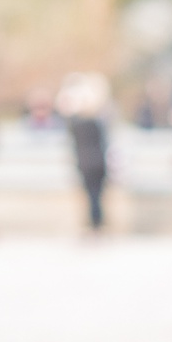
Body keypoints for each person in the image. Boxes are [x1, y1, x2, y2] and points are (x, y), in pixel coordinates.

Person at [58, 73, 111, 234]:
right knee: (97, 195)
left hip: (86, 162)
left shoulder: (78, 123)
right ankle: (97, 222)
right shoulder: (97, 122)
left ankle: (95, 223)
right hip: (98, 161)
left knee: (91, 195)